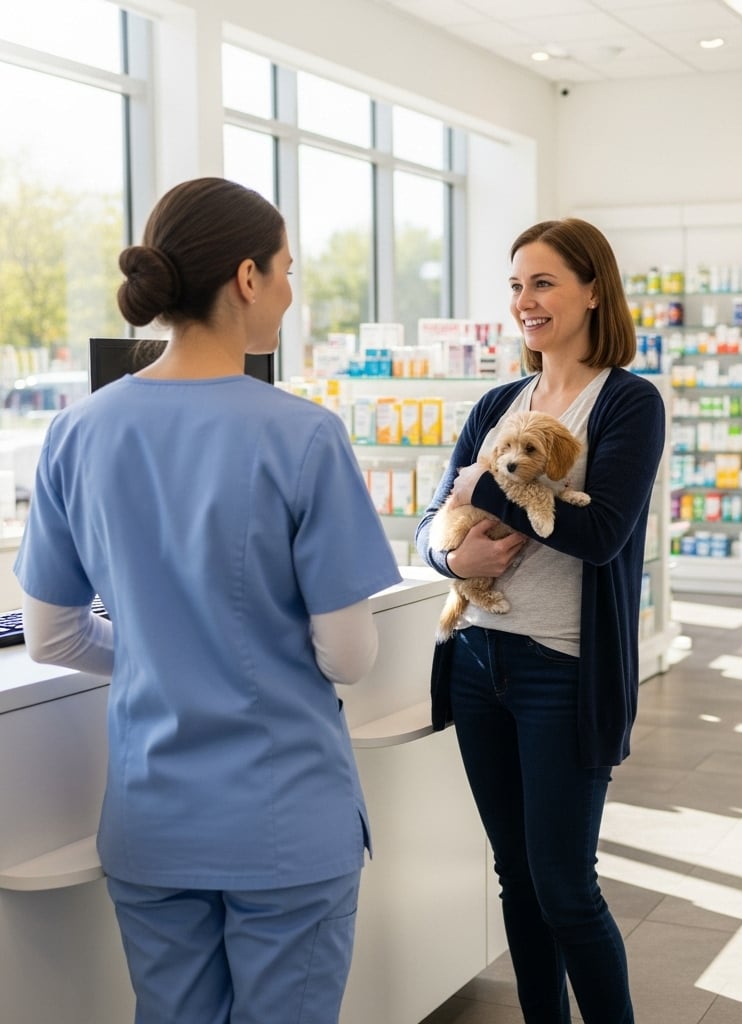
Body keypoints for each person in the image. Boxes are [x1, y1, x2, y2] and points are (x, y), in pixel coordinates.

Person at [14, 177, 401, 1024]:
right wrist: (249, 658)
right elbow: (349, 655)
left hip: (153, 824)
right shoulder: (303, 435)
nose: (292, 292)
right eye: (287, 270)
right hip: (284, 822)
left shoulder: (81, 430)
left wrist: (162, 654)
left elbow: (51, 634)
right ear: (247, 278)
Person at [415, 217, 665, 1024]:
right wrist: (455, 562)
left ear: (594, 290)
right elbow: (426, 525)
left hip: (562, 671)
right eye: (517, 284)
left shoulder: (628, 403)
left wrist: (479, 487)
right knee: (515, 878)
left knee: (565, 885)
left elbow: (600, 533)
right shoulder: (497, 400)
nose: (526, 300)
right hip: (479, 665)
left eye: (545, 282)